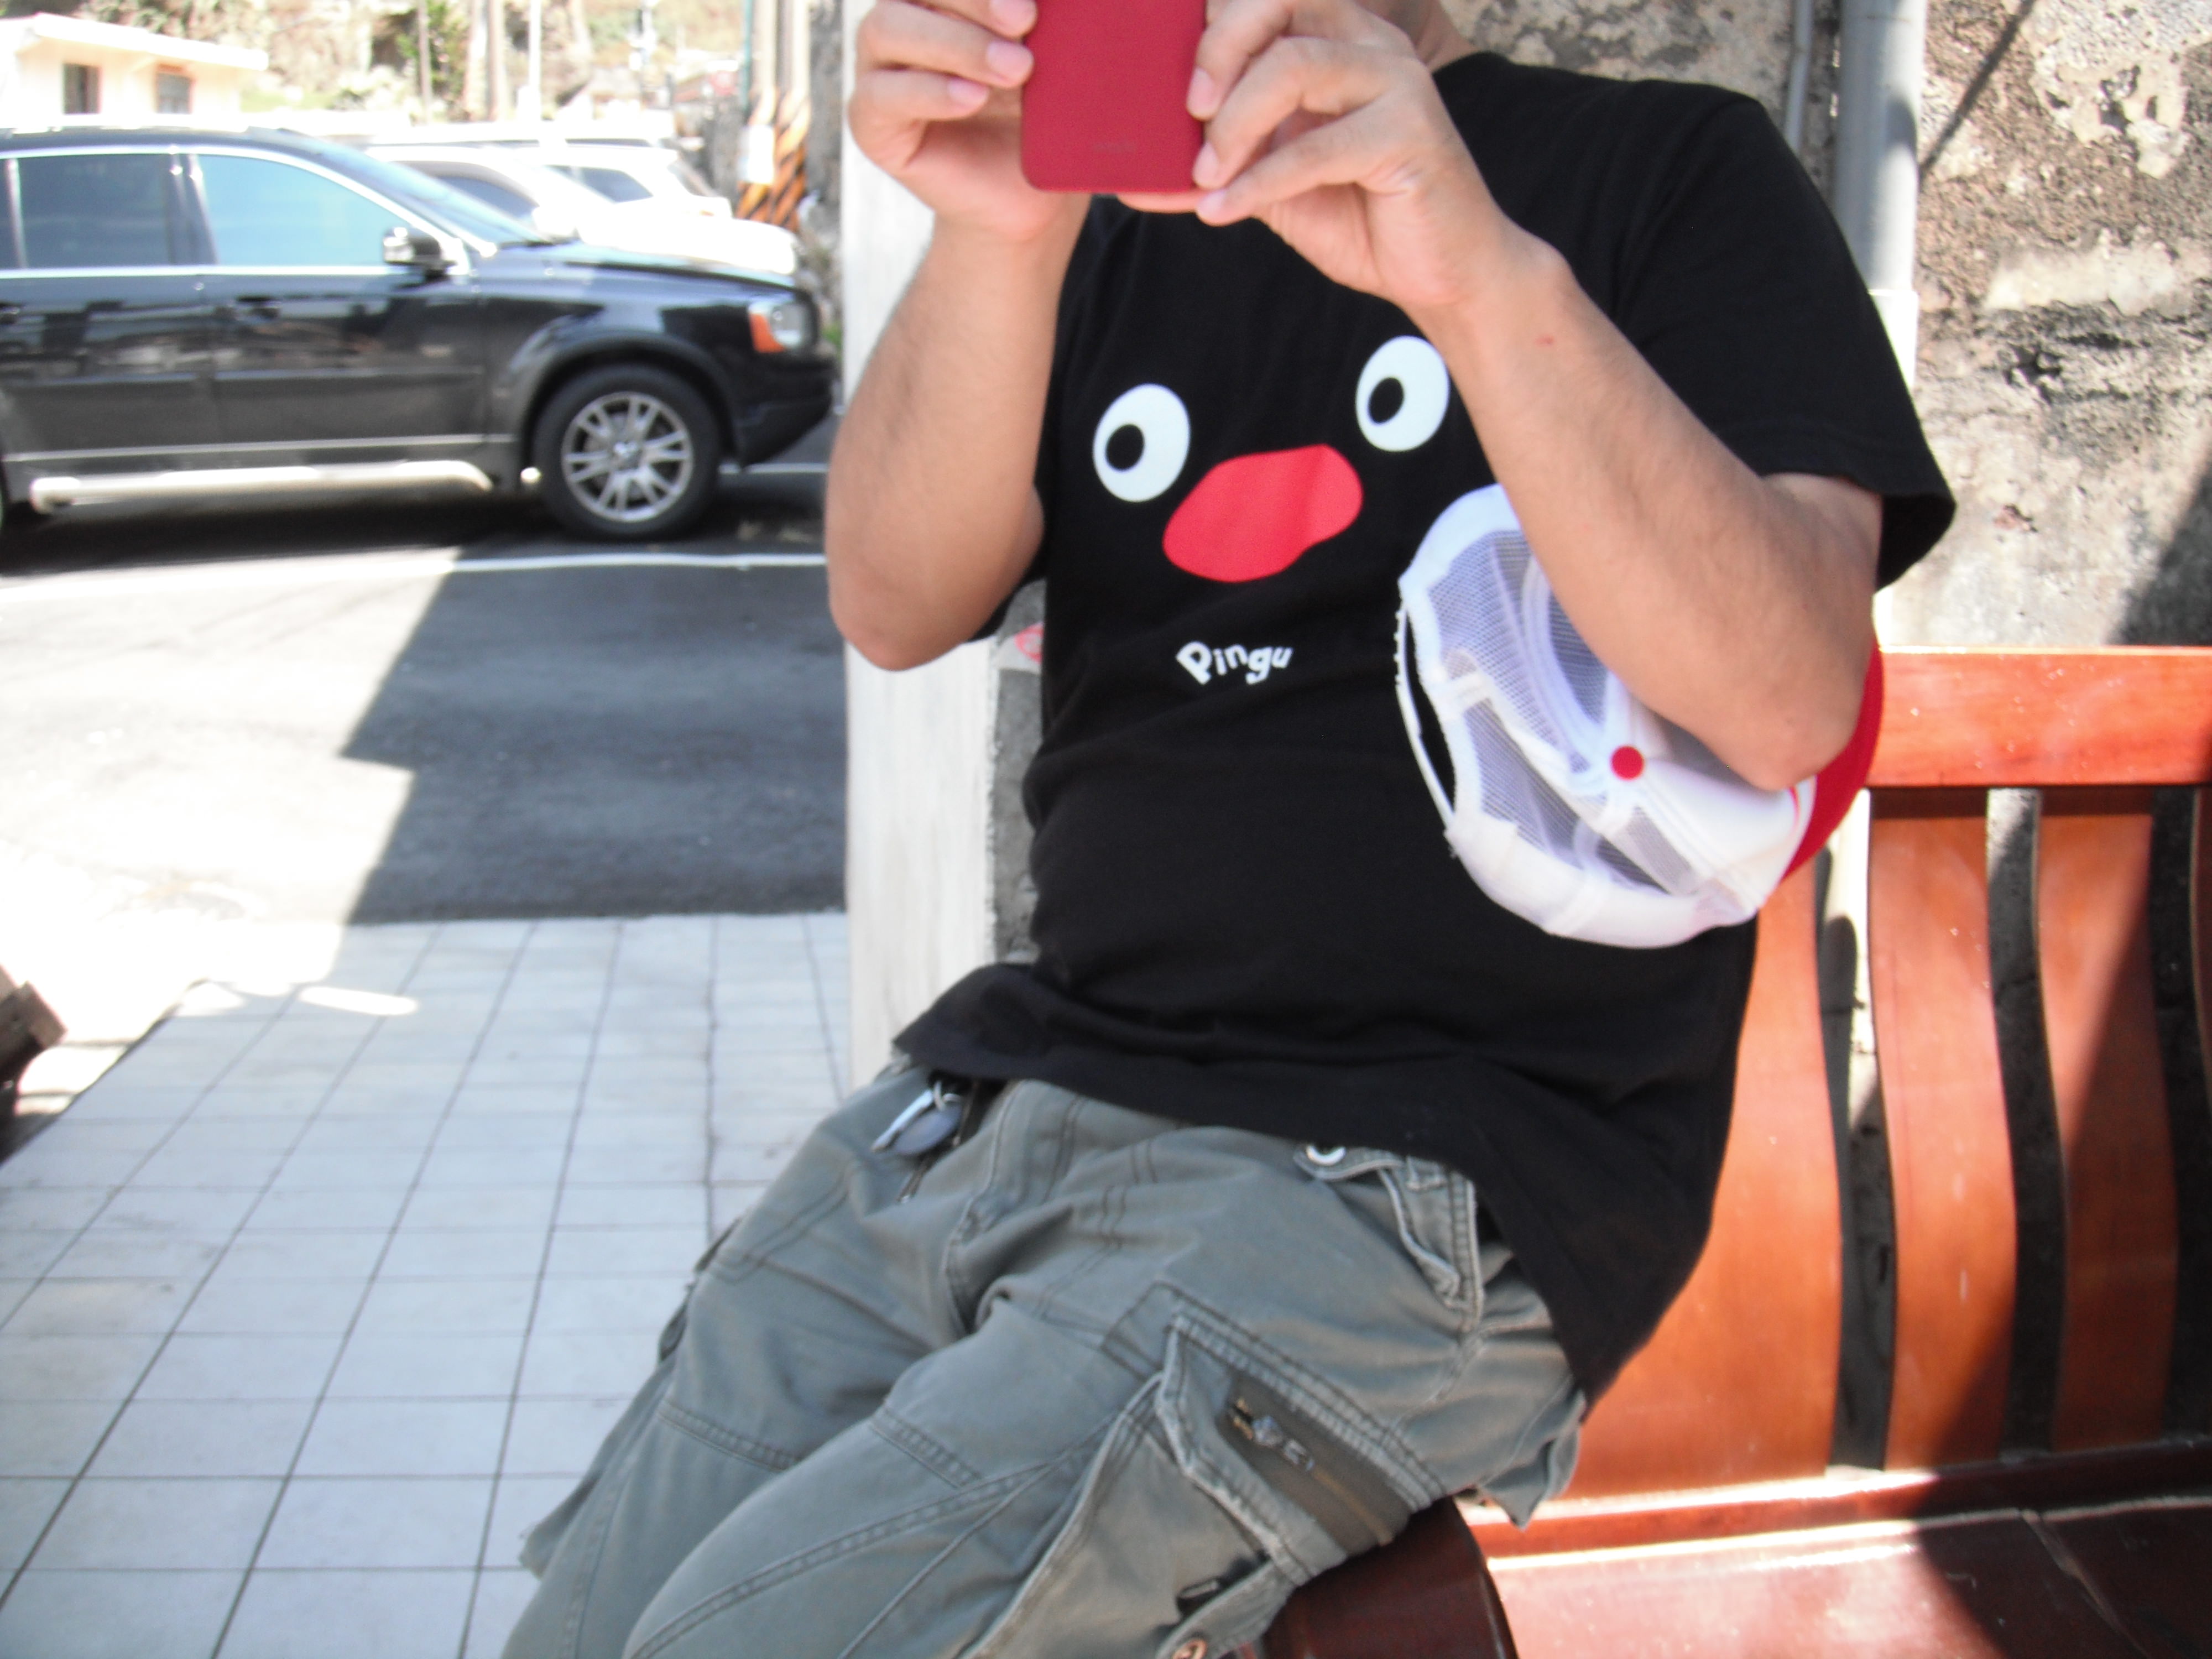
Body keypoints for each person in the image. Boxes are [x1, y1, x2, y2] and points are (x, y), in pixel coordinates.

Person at [504, 0, 1954, 1652]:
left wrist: (1476, 276)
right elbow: (893, 604)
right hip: (1007, 1104)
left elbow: (1787, 699)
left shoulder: (1666, 170)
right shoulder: (1101, 222)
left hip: (1408, 1177)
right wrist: (997, 230)